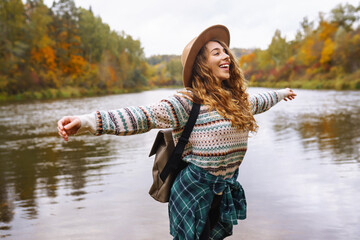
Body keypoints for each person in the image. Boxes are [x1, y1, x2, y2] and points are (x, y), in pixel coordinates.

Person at [57, 25, 296, 240]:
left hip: (222, 188)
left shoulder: (235, 100)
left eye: (225, 52)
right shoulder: (187, 101)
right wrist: (88, 121)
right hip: (193, 190)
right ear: (202, 65)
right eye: (217, 53)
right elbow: (143, 116)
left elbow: (261, 100)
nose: (226, 57)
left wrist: (282, 93)